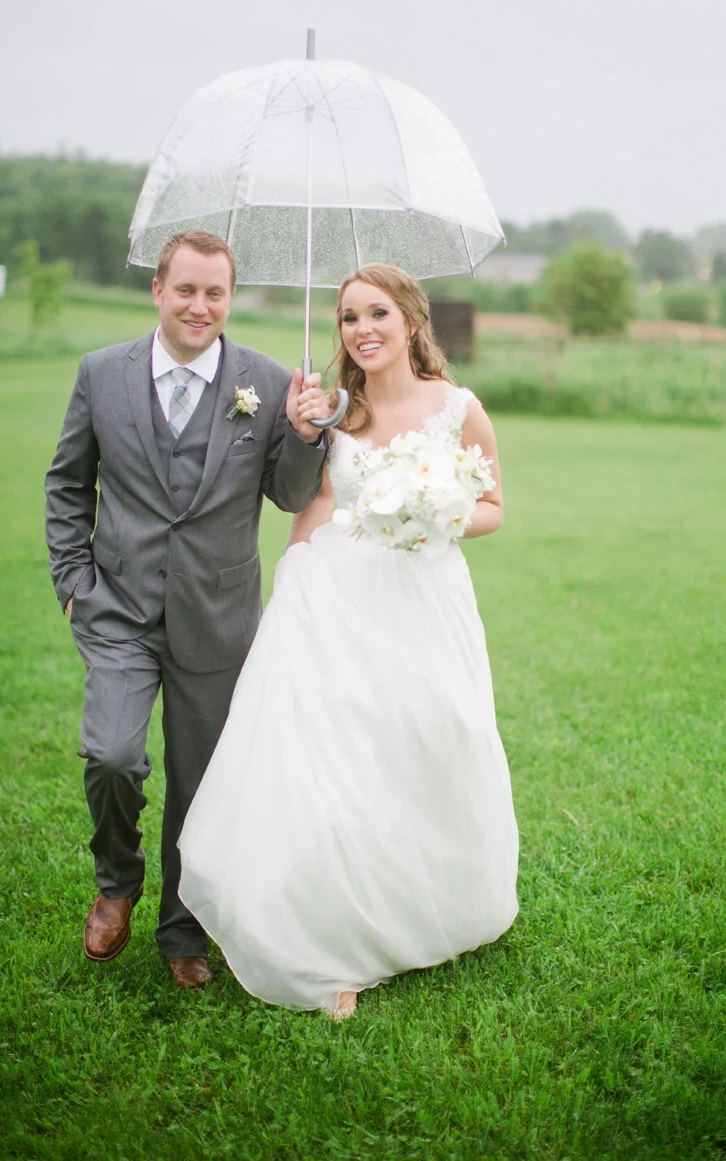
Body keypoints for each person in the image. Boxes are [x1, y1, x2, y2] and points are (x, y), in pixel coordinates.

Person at [178, 263, 519, 1018]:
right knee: (334, 759)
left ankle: (431, 903)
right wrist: (298, 565)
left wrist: (437, 512)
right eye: (348, 318)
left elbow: (494, 503)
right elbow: (322, 500)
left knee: (431, 740)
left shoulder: (456, 407)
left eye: (377, 315)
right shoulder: (340, 411)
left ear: (410, 322)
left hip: (424, 595)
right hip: (336, 592)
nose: (361, 330)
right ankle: (331, 941)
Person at [44, 229, 331, 990]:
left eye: (215, 293)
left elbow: (294, 495)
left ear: (229, 298)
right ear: (158, 291)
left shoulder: (268, 383)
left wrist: (305, 435)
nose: (200, 306)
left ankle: (182, 929)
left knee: (201, 782)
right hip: (118, 609)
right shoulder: (100, 375)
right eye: (186, 290)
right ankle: (118, 879)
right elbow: (68, 482)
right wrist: (73, 579)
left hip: (219, 614)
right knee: (111, 754)